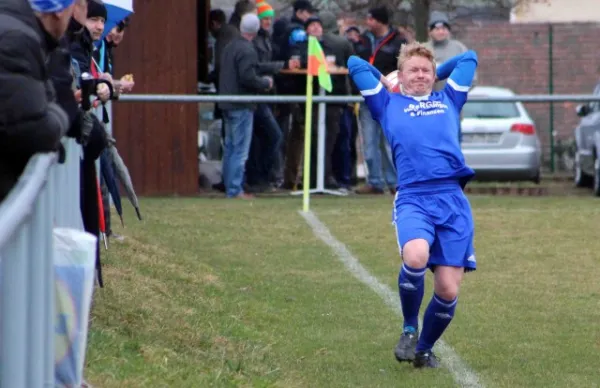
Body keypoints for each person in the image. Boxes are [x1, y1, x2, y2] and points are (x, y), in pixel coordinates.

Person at [347, 43, 479, 368]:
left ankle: (423, 349)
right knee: (416, 254)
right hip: (413, 197)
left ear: (433, 76)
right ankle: (409, 328)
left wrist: (438, 70)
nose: (420, 75)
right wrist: (388, 78)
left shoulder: (448, 99)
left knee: (448, 290)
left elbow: (469, 58)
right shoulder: (387, 103)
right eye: (413, 70)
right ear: (401, 76)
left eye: (425, 71)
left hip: (452, 200)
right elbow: (354, 63)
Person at [0, 0, 75, 200]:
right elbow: (37, 130)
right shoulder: (16, 40)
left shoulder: (22, 32)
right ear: (59, 10)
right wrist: (61, 117)